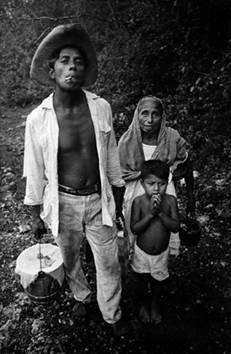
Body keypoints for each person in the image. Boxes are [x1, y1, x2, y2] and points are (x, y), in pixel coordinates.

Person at [23, 23, 127, 336]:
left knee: (108, 262)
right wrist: (35, 214)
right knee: (69, 258)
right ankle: (81, 295)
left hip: (98, 199)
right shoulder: (38, 119)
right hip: (62, 201)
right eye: (65, 61)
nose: (72, 67)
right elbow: (35, 168)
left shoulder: (100, 108)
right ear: (52, 69)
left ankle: (112, 313)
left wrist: (117, 199)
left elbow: (110, 158)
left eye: (78, 62)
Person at [118, 95, 195, 256]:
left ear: (162, 116)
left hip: (164, 192)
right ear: (137, 115)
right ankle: (138, 266)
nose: (150, 119)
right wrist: (116, 207)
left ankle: (159, 267)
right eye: (144, 113)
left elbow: (185, 161)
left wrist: (172, 173)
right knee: (138, 232)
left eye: (155, 114)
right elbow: (119, 176)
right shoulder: (127, 141)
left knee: (162, 233)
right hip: (135, 196)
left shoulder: (171, 137)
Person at [130, 160, 180, 324]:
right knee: (142, 280)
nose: (157, 189)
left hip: (161, 253)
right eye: (151, 184)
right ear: (142, 183)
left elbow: (175, 227)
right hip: (141, 252)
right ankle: (144, 304)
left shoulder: (170, 201)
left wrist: (160, 214)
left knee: (158, 281)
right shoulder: (138, 202)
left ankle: (154, 304)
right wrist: (151, 214)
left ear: (168, 183)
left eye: (162, 184)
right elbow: (135, 228)